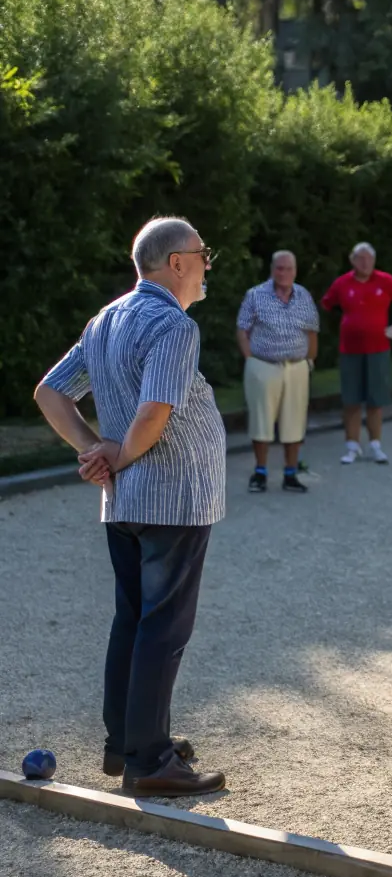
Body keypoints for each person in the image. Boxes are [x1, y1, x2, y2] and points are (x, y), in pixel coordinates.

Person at [33, 217, 227, 798]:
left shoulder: (105, 319)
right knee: (163, 628)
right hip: (172, 497)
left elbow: (50, 392)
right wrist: (111, 453)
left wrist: (93, 449)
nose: (207, 265)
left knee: (134, 621)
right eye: (201, 254)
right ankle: (151, 760)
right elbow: (154, 413)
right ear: (175, 263)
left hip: (125, 502)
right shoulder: (173, 325)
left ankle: (127, 743)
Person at [321, 242, 392, 465]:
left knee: (375, 400)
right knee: (351, 400)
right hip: (350, 350)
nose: (365, 263)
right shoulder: (342, 283)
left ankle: (375, 445)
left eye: (369, 259)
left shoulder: (385, 280)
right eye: (360, 259)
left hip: (378, 349)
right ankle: (352, 446)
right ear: (352, 260)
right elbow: (326, 305)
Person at [236, 251, 319, 494]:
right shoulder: (255, 295)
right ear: (272, 269)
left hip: (296, 366)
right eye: (279, 268)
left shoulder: (304, 296)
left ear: (295, 271)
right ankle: (260, 472)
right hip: (263, 365)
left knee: (295, 421)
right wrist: (249, 358)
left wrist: (310, 362)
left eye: (288, 269)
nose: (283, 273)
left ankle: (290, 473)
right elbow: (242, 330)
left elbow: (312, 332)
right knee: (261, 421)